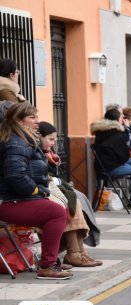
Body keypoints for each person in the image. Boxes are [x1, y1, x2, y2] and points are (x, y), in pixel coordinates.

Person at [0, 102, 71, 279]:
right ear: (18, 120)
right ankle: (47, 265)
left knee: (60, 207)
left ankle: (52, 260)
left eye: (37, 116)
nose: (37, 121)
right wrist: (35, 191)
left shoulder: (21, 138)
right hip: (9, 201)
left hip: (16, 198)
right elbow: (15, 176)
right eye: (32, 117)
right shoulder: (15, 142)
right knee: (56, 212)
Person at [38, 122, 102, 268]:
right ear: (39, 137)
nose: (54, 143)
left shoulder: (48, 154)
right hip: (36, 194)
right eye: (51, 139)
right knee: (71, 201)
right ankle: (74, 253)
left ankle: (79, 251)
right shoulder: (31, 151)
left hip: (47, 189)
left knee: (78, 198)